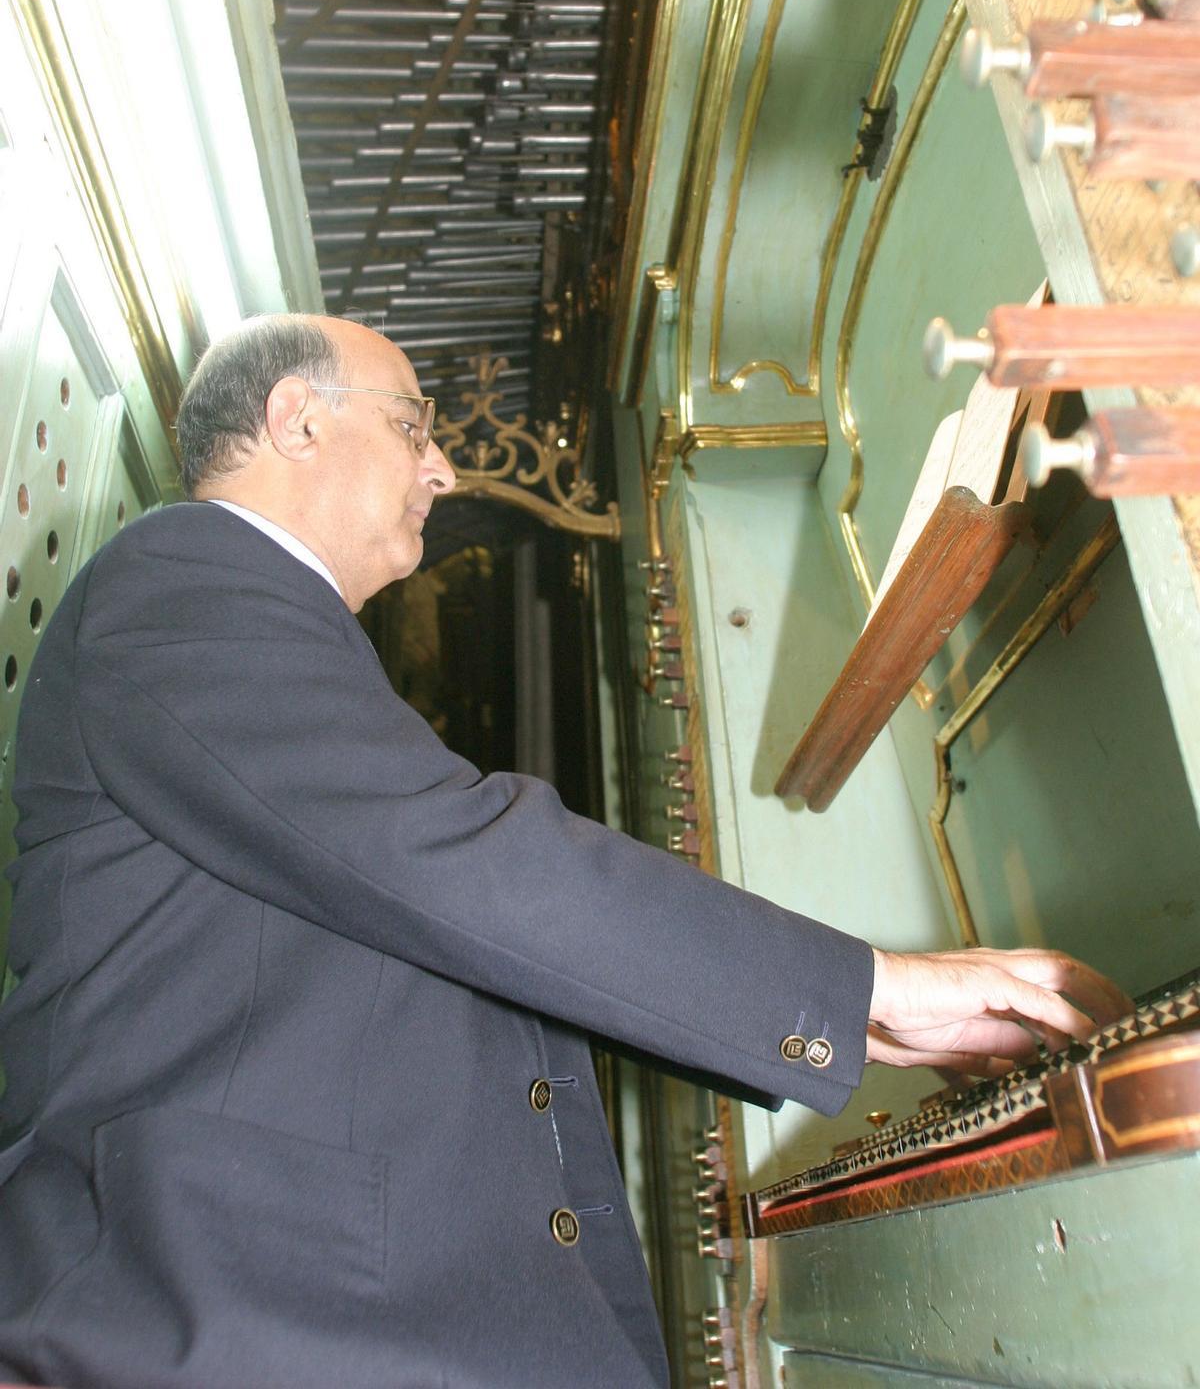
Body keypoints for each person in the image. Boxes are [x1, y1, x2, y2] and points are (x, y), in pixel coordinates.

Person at [0, 314, 1130, 1388]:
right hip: (251, 1320)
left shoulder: (246, 627)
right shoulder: (183, 578)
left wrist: (863, 1018)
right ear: (298, 417)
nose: (441, 468)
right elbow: (453, 857)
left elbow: (438, 920)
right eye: (414, 424)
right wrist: (871, 993)